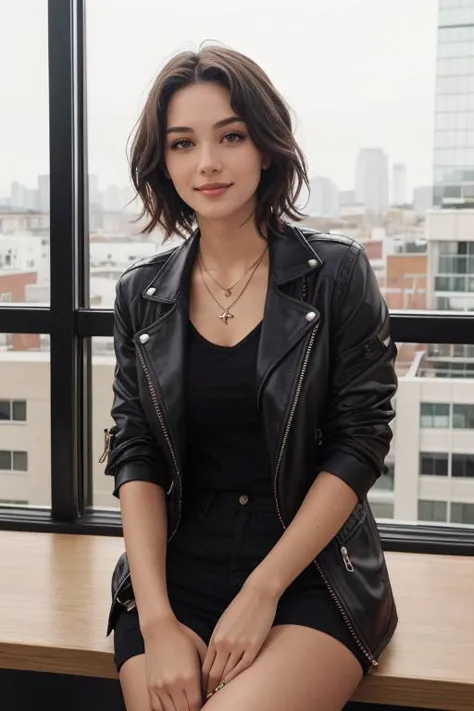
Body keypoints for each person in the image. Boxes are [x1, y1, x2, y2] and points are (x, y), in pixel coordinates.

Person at [102, 44, 399, 711]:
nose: (206, 162)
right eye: (183, 143)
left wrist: (262, 590)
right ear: (163, 162)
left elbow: (359, 443)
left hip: (309, 566)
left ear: (266, 147)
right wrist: (154, 618)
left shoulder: (338, 274)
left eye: (230, 135)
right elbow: (136, 454)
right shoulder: (140, 295)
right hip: (175, 568)